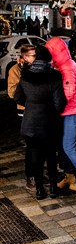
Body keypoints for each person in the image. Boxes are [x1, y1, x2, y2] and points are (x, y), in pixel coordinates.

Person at [14, 45, 66, 200]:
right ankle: (53, 188)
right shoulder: (54, 76)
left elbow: (18, 97)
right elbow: (59, 103)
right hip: (49, 122)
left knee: (35, 155)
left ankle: (39, 189)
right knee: (50, 154)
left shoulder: (25, 75)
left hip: (30, 122)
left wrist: (30, 103)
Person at [45, 37, 76, 192]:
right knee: (65, 147)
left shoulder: (66, 68)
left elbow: (68, 93)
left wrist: (53, 104)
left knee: (69, 147)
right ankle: (70, 175)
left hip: (71, 113)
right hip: (69, 112)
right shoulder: (65, 64)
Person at [8, 44, 38, 191]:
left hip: (39, 110)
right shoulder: (15, 70)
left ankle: (38, 173)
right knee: (31, 146)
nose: (35, 58)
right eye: (32, 55)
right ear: (24, 57)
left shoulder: (37, 68)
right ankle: (30, 176)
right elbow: (12, 93)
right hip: (25, 111)